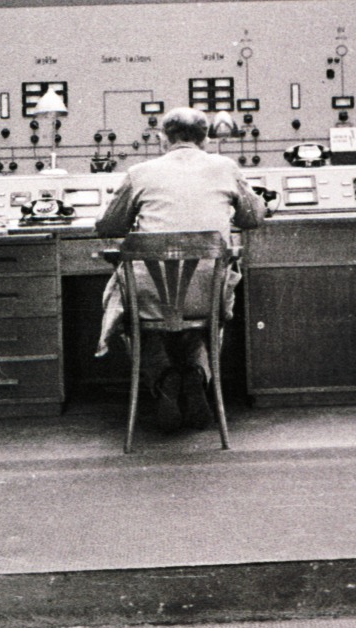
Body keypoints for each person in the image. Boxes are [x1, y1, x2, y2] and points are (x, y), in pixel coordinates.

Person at [93, 107, 267, 432]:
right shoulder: (226, 167)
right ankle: (196, 376)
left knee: (138, 315)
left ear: (163, 138)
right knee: (200, 322)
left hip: (151, 298)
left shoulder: (140, 172)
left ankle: (165, 377)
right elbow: (253, 218)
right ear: (206, 138)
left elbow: (108, 226)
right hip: (207, 295)